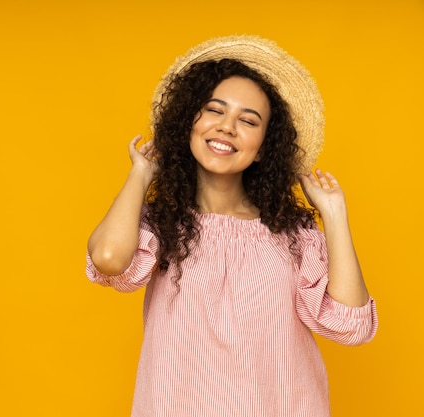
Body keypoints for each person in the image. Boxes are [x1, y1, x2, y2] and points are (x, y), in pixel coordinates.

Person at [85, 35, 378, 417]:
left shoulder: (292, 236)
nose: (227, 127)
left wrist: (335, 214)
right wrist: (141, 175)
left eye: (248, 120)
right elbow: (108, 260)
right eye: (214, 110)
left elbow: (350, 326)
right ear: (189, 120)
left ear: (264, 146)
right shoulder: (159, 227)